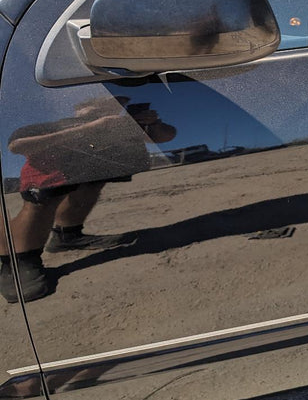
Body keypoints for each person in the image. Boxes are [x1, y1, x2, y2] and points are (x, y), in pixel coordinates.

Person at [0, 96, 176, 303]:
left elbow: (166, 137)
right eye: (96, 104)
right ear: (79, 108)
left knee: (91, 187)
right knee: (40, 203)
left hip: (85, 170)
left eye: (112, 104)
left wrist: (152, 123)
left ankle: (67, 236)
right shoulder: (55, 124)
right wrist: (88, 128)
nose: (106, 108)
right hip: (48, 172)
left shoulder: (117, 126)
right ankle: (18, 261)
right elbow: (17, 145)